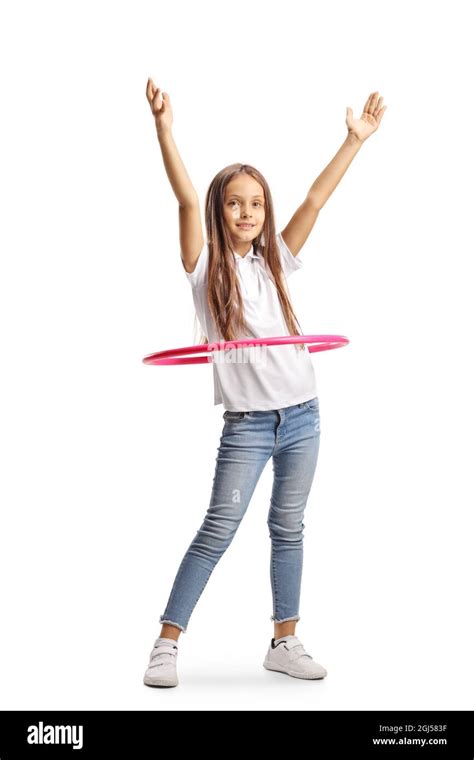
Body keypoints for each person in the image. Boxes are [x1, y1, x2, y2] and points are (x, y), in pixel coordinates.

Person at [142, 80, 387, 687]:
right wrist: (165, 130)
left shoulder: (275, 258)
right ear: (219, 210)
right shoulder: (203, 270)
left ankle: (285, 639)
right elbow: (181, 198)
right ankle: (167, 643)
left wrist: (353, 141)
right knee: (217, 530)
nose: (247, 211)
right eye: (234, 203)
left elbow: (315, 199)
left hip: (303, 414)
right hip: (249, 426)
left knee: (289, 526)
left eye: (256, 202)